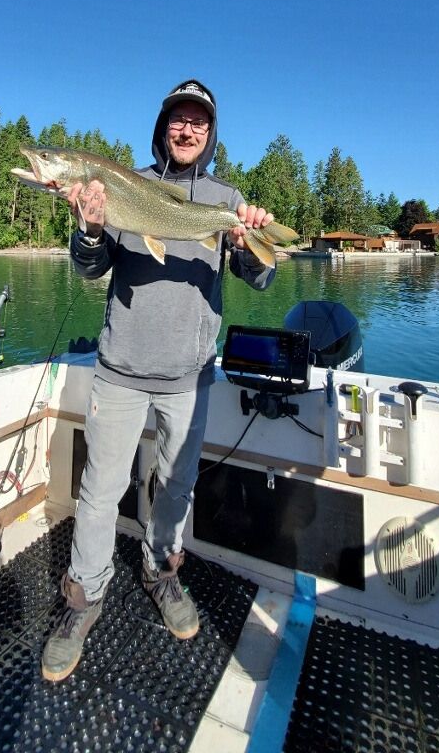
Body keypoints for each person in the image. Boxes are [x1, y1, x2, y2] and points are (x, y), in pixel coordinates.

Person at [41, 79, 279, 682]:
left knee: (175, 488)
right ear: (163, 126)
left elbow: (260, 279)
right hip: (120, 370)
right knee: (99, 493)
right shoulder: (119, 187)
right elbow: (90, 268)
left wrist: (246, 238)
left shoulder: (225, 198)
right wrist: (91, 229)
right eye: (179, 119)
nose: (188, 129)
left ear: (210, 133)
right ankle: (82, 599)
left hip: (189, 377)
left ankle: (160, 572)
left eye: (199, 121)